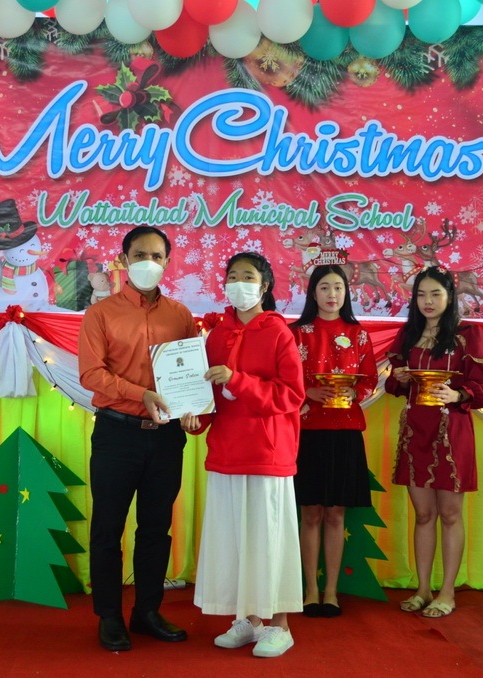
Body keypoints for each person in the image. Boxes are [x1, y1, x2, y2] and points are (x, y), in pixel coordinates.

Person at [180, 252, 305, 658]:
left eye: (247, 276)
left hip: (268, 452)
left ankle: (280, 625)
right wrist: (196, 417)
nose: (238, 283)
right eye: (232, 276)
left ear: (264, 286)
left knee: (270, 538)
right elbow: (207, 394)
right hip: (227, 450)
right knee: (234, 539)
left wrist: (239, 380)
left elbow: (291, 395)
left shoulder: (279, 333)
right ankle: (250, 621)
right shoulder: (216, 334)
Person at [77, 226, 197, 652]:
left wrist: (193, 410)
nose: (149, 262)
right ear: (124, 259)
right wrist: (139, 394)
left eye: (157, 256)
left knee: (156, 529)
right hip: (117, 434)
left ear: (167, 262)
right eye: (140, 254)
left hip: (165, 439)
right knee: (107, 528)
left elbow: (189, 373)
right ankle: (109, 616)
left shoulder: (181, 315)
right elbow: (91, 374)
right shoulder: (100, 313)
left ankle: (147, 611)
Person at [383, 266, 483, 619]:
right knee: (423, 514)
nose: (428, 301)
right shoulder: (408, 335)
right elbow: (394, 386)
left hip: (453, 431)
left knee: (449, 514)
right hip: (415, 430)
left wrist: (458, 393)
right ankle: (422, 589)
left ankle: (447, 592)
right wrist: (400, 378)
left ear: (450, 297)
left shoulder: (468, 335)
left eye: (435, 294)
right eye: (421, 295)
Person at [288, 265, 378, 618]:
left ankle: (331, 592)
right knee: (310, 512)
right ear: (313, 293)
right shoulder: (297, 333)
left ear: (346, 292)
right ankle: (310, 590)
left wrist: (354, 392)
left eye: (338, 287)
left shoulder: (358, 334)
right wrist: (307, 392)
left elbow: (369, 380)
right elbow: (283, 380)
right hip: (308, 431)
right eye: (324, 287)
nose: (331, 294)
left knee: (336, 513)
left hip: (345, 431)